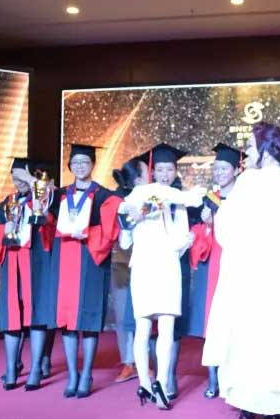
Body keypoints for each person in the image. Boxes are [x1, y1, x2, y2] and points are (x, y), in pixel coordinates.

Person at [202, 123, 280, 419]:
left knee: (250, 343)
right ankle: (273, 408)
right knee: (275, 343)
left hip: (253, 279)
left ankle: (250, 406)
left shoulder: (248, 182)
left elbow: (226, 229)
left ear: (265, 151)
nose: (246, 155)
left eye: (250, 148)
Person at [120, 143, 204, 409]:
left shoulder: (173, 201)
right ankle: (149, 383)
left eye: (170, 169)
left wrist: (186, 240)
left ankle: (158, 384)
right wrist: (133, 215)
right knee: (148, 328)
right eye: (160, 169)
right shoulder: (146, 193)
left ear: (175, 171)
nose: (165, 174)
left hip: (163, 266)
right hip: (151, 266)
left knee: (161, 328)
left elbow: (179, 237)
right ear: (152, 171)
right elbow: (124, 223)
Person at [50, 144, 122, 398]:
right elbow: (46, 223)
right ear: (70, 166)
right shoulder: (59, 195)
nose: (80, 166)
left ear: (92, 165)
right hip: (65, 260)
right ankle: (73, 374)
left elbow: (111, 230)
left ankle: (87, 373)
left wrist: (89, 233)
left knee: (88, 320)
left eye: (85, 162)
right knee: (68, 321)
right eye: (75, 162)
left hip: (91, 259)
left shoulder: (104, 196)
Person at [0, 158, 56, 391]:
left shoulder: (43, 195)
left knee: (36, 315)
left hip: (36, 263)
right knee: (12, 318)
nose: (18, 182)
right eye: (14, 177)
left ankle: (35, 369)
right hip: (13, 264)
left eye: (22, 177)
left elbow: (50, 222)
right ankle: (11, 369)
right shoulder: (8, 202)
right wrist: (3, 230)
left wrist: (32, 181)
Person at [186, 143, 243, 399]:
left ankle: (236, 376)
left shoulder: (245, 198)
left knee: (237, 321)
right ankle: (213, 379)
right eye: (216, 168)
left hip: (238, 262)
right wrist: (206, 225)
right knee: (213, 319)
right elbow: (198, 237)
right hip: (213, 265)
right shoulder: (208, 200)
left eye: (224, 168)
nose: (219, 173)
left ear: (236, 170)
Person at [110, 157, 149, 383]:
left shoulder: (154, 197)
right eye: (147, 173)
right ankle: (128, 362)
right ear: (137, 179)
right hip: (122, 264)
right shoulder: (118, 201)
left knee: (146, 314)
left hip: (147, 262)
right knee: (123, 314)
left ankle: (145, 361)